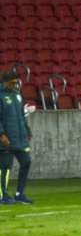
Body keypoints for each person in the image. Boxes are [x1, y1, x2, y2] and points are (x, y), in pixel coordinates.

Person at [0, 71, 33, 204]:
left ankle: (19, 193)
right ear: (4, 82)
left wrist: (27, 130)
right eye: (12, 83)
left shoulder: (17, 96)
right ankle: (3, 195)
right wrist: (1, 134)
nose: (14, 85)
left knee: (26, 162)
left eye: (16, 82)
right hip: (6, 139)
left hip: (20, 138)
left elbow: (21, 115)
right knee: (5, 167)